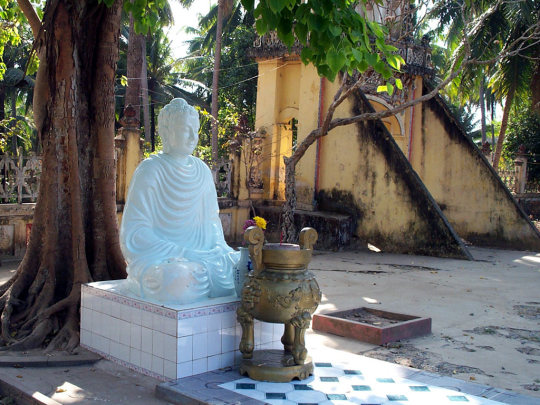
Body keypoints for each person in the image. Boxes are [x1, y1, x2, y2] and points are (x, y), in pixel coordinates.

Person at [120, 98, 238, 304]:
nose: (193, 136)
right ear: (165, 132)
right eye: (185, 129)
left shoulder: (201, 170)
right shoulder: (150, 170)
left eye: (196, 130)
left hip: (205, 259)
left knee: (245, 266)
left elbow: (212, 222)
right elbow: (135, 235)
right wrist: (184, 252)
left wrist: (219, 246)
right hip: (170, 260)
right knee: (175, 279)